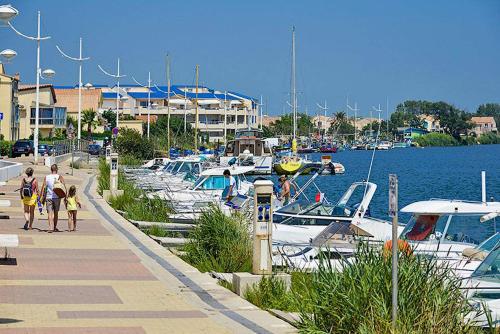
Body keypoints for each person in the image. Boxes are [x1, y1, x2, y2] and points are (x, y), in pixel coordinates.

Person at [41, 164, 66, 233]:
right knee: (56, 213)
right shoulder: (59, 176)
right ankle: (54, 227)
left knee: (49, 213)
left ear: (51, 169)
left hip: (48, 197)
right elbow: (64, 186)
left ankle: (50, 227)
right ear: (57, 169)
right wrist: (65, 196)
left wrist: (41, 196)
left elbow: (44, 187)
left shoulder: (47, 177)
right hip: (57, 197)